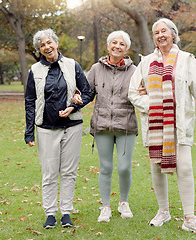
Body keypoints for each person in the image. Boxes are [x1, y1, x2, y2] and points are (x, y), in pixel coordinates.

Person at [128, 18, 196, 235]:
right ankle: (163, 211)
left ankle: (189, 218)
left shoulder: (186, 60)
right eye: (156, 32)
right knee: (156, 167)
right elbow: (133, 93)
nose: (160, 35)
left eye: (163, 31)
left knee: (185, 167)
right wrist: (153, 103)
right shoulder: (146, 63)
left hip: (179, 123)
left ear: (173, 34)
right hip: (155, 125)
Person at [24, 28, 92, 229]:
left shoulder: (72, 65)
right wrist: (29, 131)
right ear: (39, 50)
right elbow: (30, 101)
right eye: (42, 45)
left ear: (56, 42)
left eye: (49, 43)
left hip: (72, 127)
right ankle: (50, 213)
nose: (47, 47)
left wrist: (75, 105)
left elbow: (87, 92)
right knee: (49, 172)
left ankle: (67, 213)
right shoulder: (35, 70)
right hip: (46, 128)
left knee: (69, 172)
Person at [78, 31, 138, 223]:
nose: (117, 46)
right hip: (102, 125)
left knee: (124, 168)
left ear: (126, 49)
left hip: (126, 126)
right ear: (108, 46)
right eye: (114, 43)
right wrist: (76, 99)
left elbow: (140, 96)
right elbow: (88, 93)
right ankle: (105, 206)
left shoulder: (134, 71)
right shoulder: (96, 68)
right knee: (105, 167)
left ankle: (123, 202)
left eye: (122, 44)